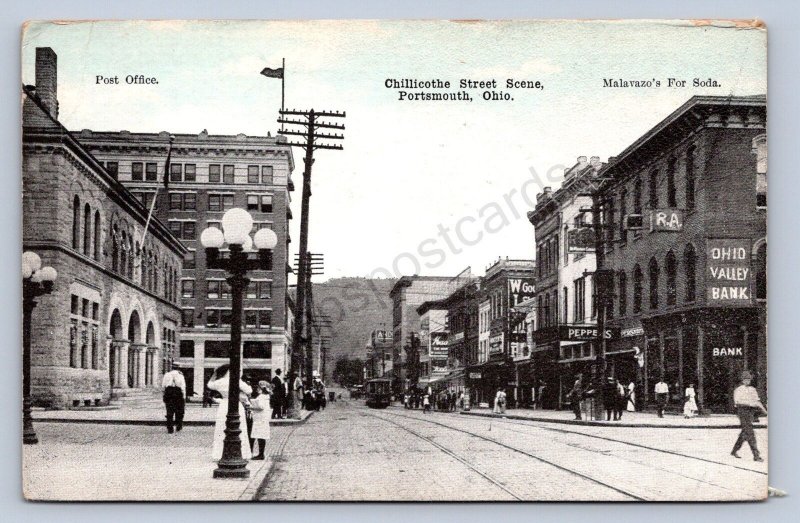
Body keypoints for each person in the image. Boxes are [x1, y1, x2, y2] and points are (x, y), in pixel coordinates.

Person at [207, 364, 252, 461]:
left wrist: (215, 374)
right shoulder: (236, 381)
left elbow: (209, 385)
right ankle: (241, 452)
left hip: (223, 404)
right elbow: (249, 390)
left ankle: (219, 453)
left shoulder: (219, 382)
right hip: (235, 404)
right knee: (240, 428)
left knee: (221, 428)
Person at [731, 370, 767, 462]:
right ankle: (756, 455)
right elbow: (738, 402)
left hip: (750, 413)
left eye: (749, 380)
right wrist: (750, 404)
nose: (747, 381)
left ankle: (734, 450)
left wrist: (765, 411)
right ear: (742, 380)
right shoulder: (738, 390)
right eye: (745, 379)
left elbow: (757, 401)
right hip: (742, 411)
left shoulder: (753, 390)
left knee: (745, 433)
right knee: (750, 433)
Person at [250, 381, 271, 460]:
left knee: (259, 436)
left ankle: (260, 454)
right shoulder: (266, 396)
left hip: (259, 418)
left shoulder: (261, 396)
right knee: (261, 436)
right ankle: (261, 453)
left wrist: (252, 407)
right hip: (263, 418)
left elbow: (261, 406)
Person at [161, 367, 186, 434]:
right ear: (178, 369)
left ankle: (170, 428)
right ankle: (178, 426)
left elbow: (163, 386)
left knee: (169, 412)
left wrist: (164, 395)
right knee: (179, 411)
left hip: (169, 393)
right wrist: (183, 397)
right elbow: (183, 387)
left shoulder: (167, 375)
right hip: (178, 393)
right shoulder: (180, 375)